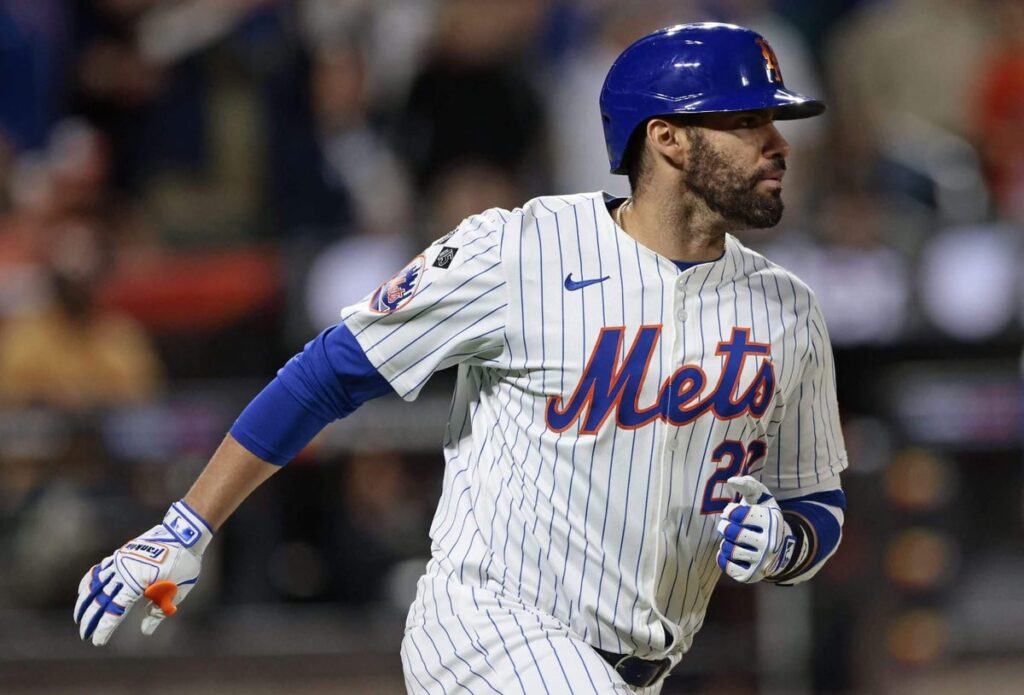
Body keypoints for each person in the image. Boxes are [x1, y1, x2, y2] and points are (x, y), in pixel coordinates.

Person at [74, 23, 847, 693]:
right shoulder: (520, 249)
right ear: (667, 137)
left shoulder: (788, 310)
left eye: (776, 121)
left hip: (639, 665)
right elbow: (327, 373)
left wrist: (787, 542)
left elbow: (818, 502)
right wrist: (185, 525)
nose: (777, 143)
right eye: (747, 120)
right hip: (490, 631)